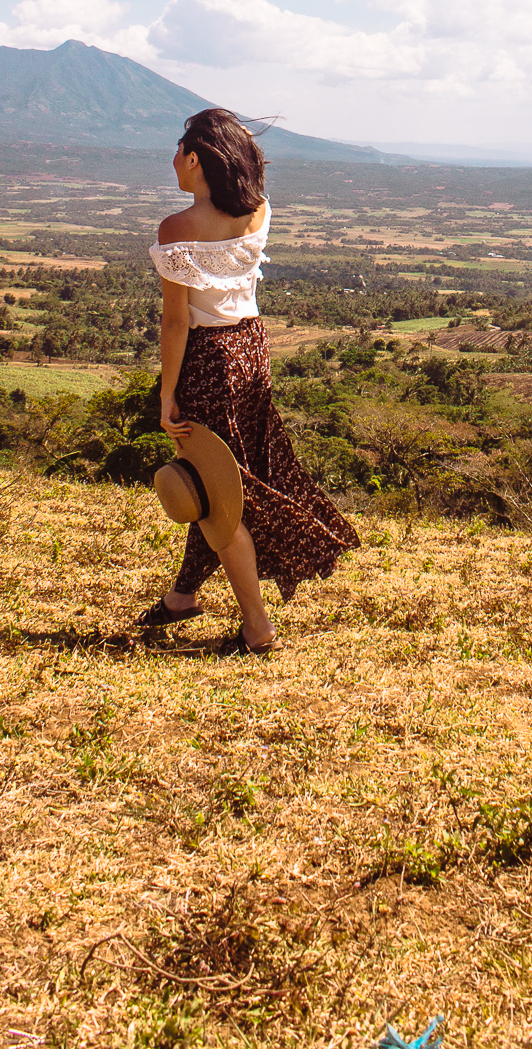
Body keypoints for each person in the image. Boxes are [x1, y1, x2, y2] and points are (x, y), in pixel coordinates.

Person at [136, 107, 360, 655]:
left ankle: (257, 626)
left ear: (192, 159)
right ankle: (182, 596)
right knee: (223, 472)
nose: (174, 163)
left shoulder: (177, 229)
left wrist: (167, 395)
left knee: (218, 492)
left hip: (210, 358)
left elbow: (175, 322)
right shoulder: (258, 209)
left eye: (178, 153)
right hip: (251, 350)